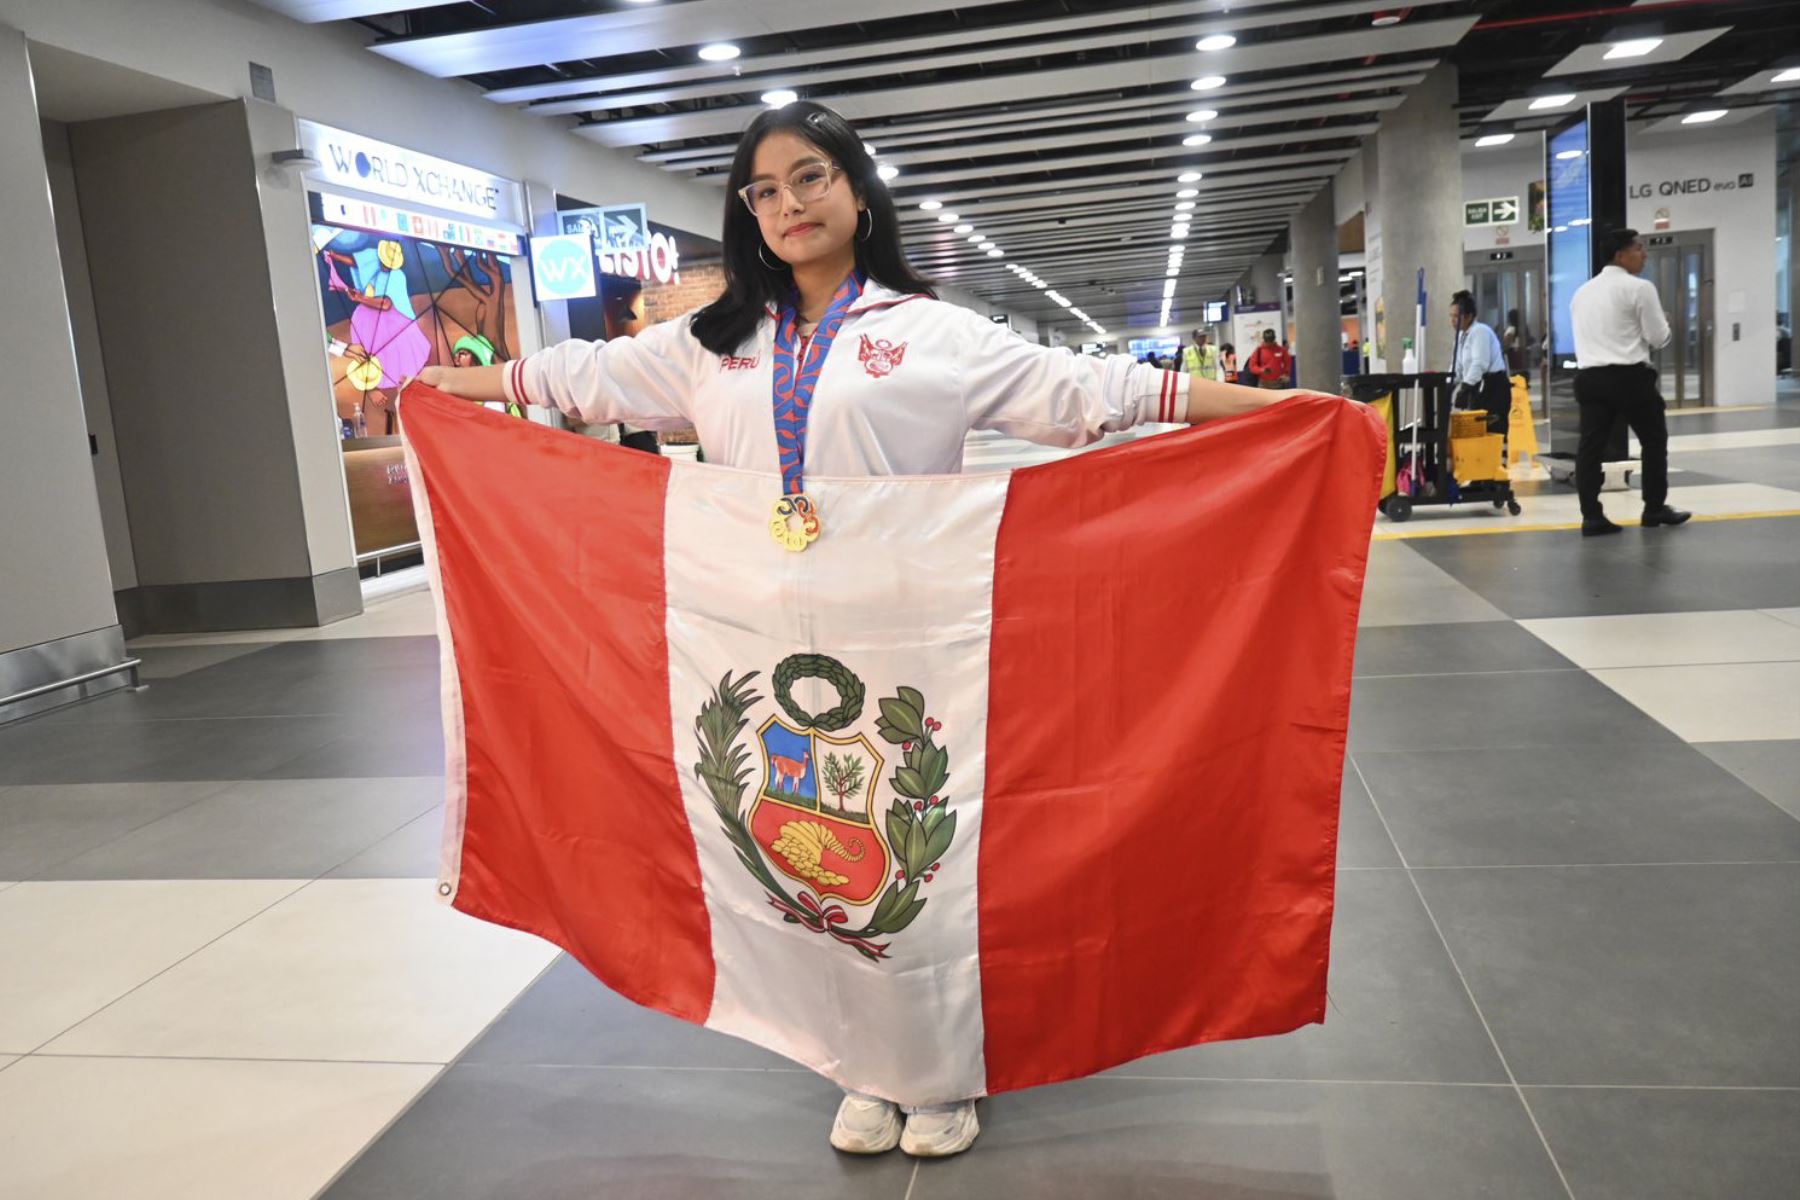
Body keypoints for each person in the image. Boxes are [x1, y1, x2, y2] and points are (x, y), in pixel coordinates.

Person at [417, 99, 1317, 1160]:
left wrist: (1290, 412)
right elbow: (581, 376)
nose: (787, 204)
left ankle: (938, 1072)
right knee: (795, 863)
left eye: (809, 177)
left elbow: (1096, 391)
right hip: (756, 643)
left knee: (913, 862)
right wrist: (453, 385)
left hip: (909, 641)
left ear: (856, 189)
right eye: (763, 190)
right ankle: (857, 1061)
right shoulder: (716, 342)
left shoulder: (932, 334)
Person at [1569, 227, 1690, 536]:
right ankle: (1653, 508)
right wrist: (1665, 323)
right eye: (1638, 248)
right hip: (1629, 378)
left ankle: (1591, 516)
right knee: (1653, 440)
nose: (1644, 254)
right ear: (1620, 255)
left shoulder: (1581, 293)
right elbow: (1658, 337)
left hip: (1590, 378)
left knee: (1590, 448)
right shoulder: (1640, 288)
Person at [1449, 291, 1510, 428]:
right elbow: (1457, 366)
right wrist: (1449, 385)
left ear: (1469, 316)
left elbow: (1480, 363)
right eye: (1451, 316)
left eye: (1456, 316)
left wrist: (1465, 388)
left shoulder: (1480, 331)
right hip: (1477, 388)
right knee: (1477, 430)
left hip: (1493, 388)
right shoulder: (1461, 336)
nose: (1452, 320)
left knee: (1492, 431)